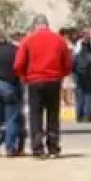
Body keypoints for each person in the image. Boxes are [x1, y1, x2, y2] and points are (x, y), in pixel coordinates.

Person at [15, 15, 70, 158]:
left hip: (34, 81)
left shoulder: (28, 40)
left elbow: (19, 64)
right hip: (53, 80)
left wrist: (23, 77)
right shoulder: (59, 40)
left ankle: (38, 149)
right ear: (47, 24)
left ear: (35, 26)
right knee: (53, 114)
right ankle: (53, 147)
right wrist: (61, 75)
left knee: (35, 115)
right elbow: (68, 63)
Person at [72, 26, 91, 123]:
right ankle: (87, 116)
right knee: (88, 94)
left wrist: (74, 72)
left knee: (80, 94)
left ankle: (79, 116)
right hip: (89, 73)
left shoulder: (78, 44)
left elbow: (74, 59)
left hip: (79, 73)